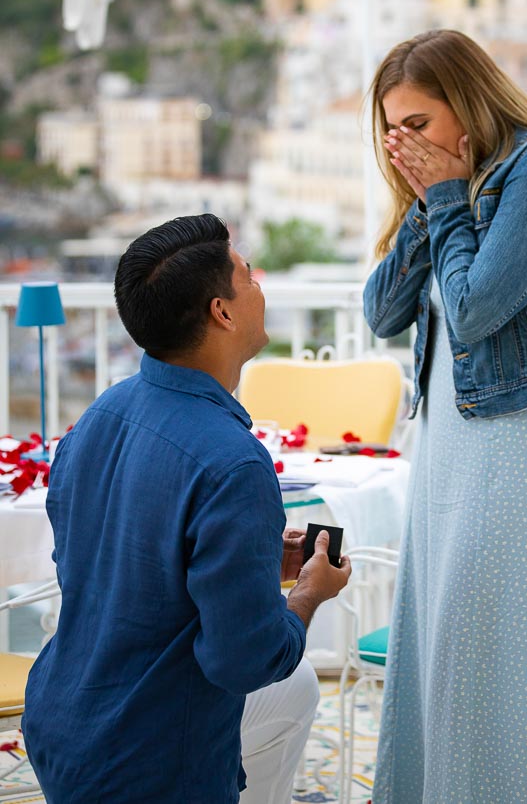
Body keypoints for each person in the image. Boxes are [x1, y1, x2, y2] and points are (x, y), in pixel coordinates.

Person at [22, 213, 351, 804]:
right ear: (222, 312)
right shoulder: (234, 464)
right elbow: (246, 662)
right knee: (286, 675)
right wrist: (309, 593)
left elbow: (109, 562)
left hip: (61, 723)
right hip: (150, 762)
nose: (260, 284)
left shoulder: (102, 414)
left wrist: (254, 559)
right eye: (248, 275)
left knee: (295, 689)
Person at [363, 30, 527, 804]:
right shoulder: (448, 190)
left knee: (511, 654)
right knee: (446, 645)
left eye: (418, 125)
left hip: (521, 442)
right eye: (390, 130)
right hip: (447, 446)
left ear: (467, 106)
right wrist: (425, 198)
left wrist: (443, 198)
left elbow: (472, 314)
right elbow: (381, 312)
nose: (403, 144)